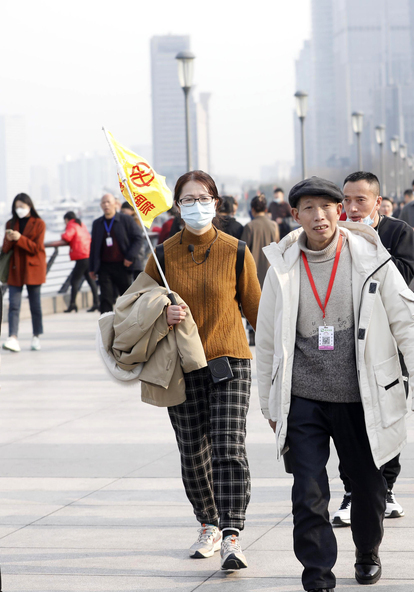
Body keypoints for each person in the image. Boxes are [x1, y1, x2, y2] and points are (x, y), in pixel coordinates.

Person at [255, 176, 414, 591]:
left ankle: (367, 551)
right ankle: (317, 576)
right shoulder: (282, 266)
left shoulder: (371, 257)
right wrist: (269, 403)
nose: (318, 216)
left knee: (368, 487)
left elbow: (409, 324)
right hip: (304, 397)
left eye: (326, 206)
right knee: (307, 491)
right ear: (295, 215)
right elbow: (266, 339)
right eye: (308, 209)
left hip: (362, 396)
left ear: (340, 210)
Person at [144, 170, 261, 570]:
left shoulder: (236, 250)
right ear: (177, 207)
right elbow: (137, 307)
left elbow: (257, 310)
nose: (197, 206)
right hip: (182, 364)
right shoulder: (161, 254)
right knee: (193, 451)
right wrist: (163, 310)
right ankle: (208, 523)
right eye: (188, 200)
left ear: (216, 202)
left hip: (230, 360)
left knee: (228, 445)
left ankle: (231, 533)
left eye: (203, 198)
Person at [331, 170, 414, 525]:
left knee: (387, 416)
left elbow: (401, 275)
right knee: (347, 424)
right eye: (345, 201)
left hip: (387, 345)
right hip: (345, 344)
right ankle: (352, 492)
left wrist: (367, 240)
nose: (351, 208)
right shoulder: (333, 235)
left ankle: (387, 488)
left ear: (376, 202)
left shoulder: (398, 232)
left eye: (360, 200)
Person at [2, 193, 46, 353]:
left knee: (35, 305)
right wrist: (8, 239)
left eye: (22, 206)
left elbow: (37, 248)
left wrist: (20, 238)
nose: (19, 209)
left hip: (33, 268)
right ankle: (12, 337)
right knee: (14, 305)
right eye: (17, 206)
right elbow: (5, 249)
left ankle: (36, 336)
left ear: (29, 206)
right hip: (15, 269)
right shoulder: (10, 222)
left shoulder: (39, 223)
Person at [89, 193, 143, 313]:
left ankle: (129, 325)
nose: (106, 205)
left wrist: (130, 257)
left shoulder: (126, 220)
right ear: (101, 205)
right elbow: (93, 246)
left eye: (108, 202)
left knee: (126, 298)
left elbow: (138, 238)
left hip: (123, 265)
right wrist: (92, 268)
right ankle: (105, 328)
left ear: (115, 204)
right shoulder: (97, 223)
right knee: (105, 299)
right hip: (104, 266)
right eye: (103, 202)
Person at [61, 211, 98, 312]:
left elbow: (67, 236)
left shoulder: (71, 224)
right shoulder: (81, 224)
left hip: (81, 256)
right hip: (88, 254)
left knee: (74, 280)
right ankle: (96, 303)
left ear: (67, 219)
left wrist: (62, 235)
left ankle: (73, 304)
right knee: (90, 280)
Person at [241, 194, 280, 288]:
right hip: (271, 272)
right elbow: (278, 247)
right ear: (266, 210)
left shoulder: (249, 226)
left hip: (254, 273)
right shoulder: (274, 225)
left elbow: (242, 250)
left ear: (253, 210)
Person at [120, 202, 149, 278]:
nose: (122, 214)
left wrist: (130, 256)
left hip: (136, 256)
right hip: (136, 256)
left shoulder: (134, 221)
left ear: (131, 210)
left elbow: (138, 239)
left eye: (123, 211)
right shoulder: (135, 220)